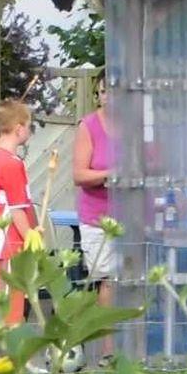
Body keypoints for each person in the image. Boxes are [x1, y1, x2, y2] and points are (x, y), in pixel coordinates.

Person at [0, 99, 37, 337]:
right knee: (6, 311)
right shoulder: (12, 164)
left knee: (1, 306)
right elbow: (16, 209)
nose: (29, 131)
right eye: (29, 126)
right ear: (19, 129)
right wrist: (30, 235)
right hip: (8, 243)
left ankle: (3, 355)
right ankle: (7, 355)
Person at [71, 87, 118, 308]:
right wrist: (111, 174)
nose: (107, 96)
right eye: (103, 91)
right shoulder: (88, 125)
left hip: (135, 216)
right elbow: (79, 175)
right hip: (99, 218)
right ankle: (106, 330)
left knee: (135, 279)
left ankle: (136, 330)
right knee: (109, 280)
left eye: (112, 90)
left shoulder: (139, 124)